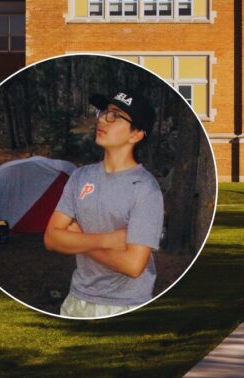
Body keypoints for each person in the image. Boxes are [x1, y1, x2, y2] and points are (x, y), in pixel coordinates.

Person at [44, 90, 164, 318]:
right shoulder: (80, 177)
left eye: (115, 115)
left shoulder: (145, 189)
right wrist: (109, 240)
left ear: (136, 135)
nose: (101, 119)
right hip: (76, 300)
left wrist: (78, 240)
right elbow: (51, 239)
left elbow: (133, 265)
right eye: (104, 112)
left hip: (126, 305)